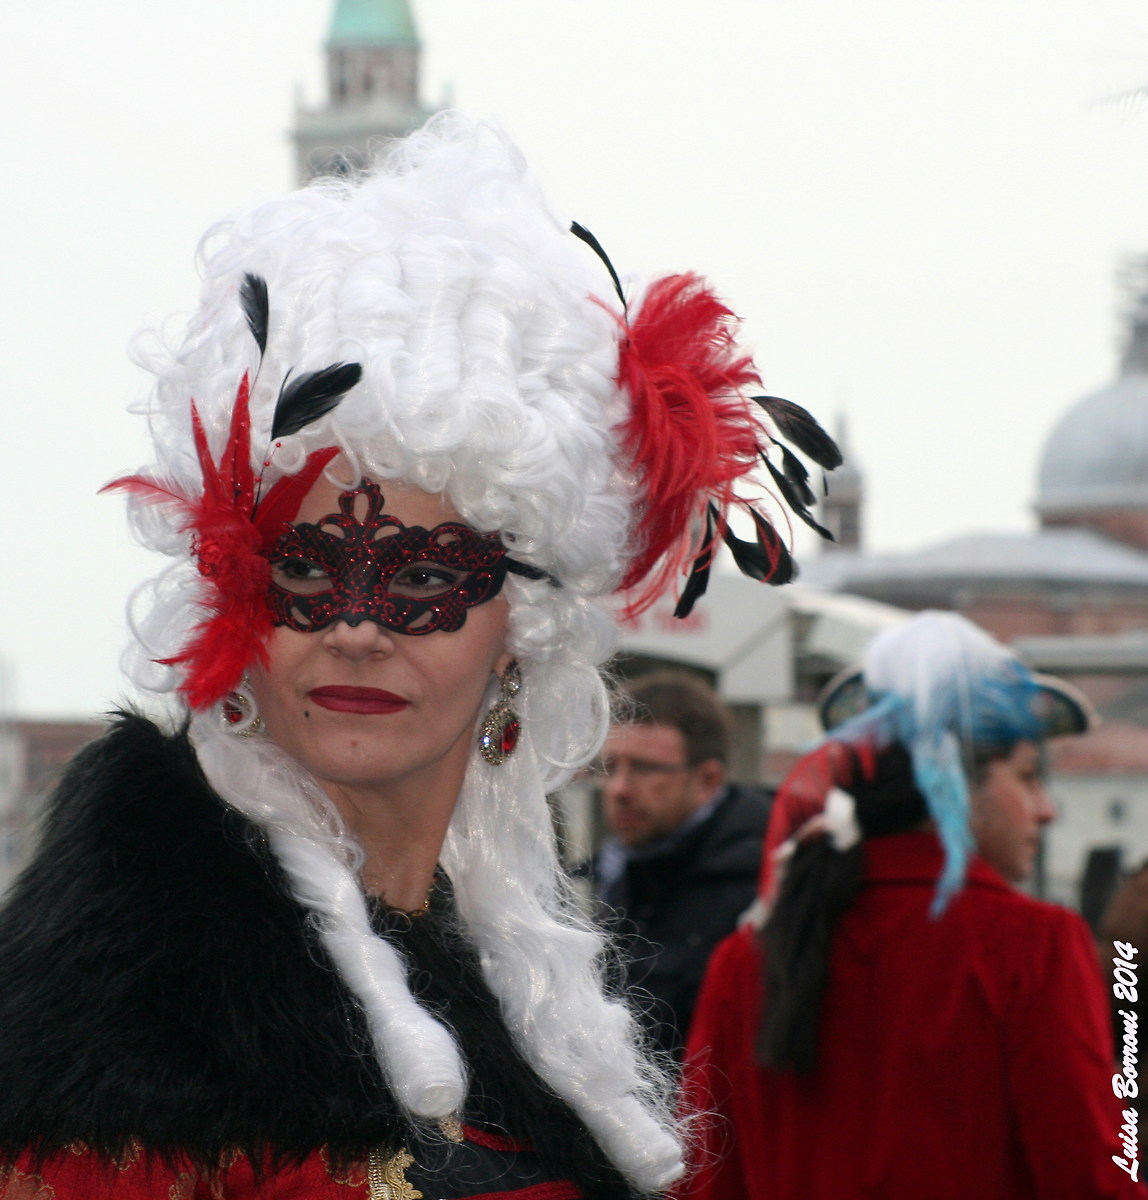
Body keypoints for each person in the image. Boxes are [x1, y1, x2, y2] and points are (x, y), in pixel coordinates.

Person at [0, 116, 839, 1199]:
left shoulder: (513, 998)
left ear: (518, 638)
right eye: (306, 570)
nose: (356, 625)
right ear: (240, 613)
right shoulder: (117, 1023)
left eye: (425, 577)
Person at [680, 610, 1144, 1200]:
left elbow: (706, 1182)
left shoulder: (743, 961)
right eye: (1027, 775)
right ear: (951, 786)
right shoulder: (1032, 944)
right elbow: (1090, 1180)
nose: (1046, 806)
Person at [585, 672, 770, 1060]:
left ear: (708, 779)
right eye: (610, 767)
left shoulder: (761, 884)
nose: (619, 789)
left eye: (645, 768)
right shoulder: (612, 871)